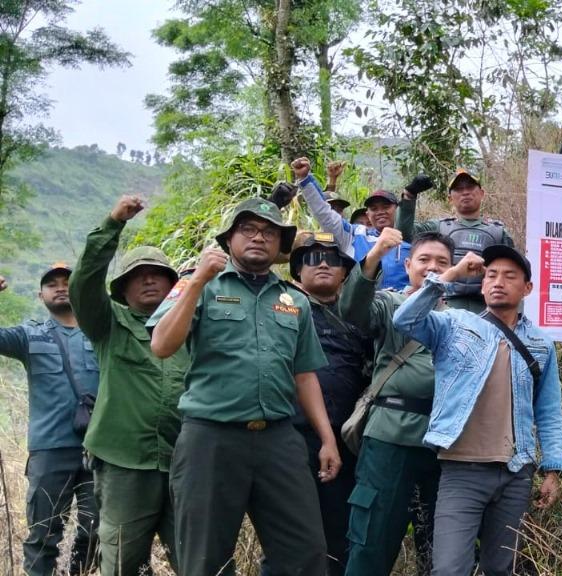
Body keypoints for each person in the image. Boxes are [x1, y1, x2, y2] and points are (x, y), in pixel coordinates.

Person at [148, 197, 340, 575]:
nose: (258, 237)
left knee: (305, 553)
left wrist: (327, 439)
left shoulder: (294, 300)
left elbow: (304, 375)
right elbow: (162, 345)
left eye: (269, 232)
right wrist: (198, 280)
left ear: (280, 244)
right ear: (229, 239)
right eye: (248, 229)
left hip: (278, 439)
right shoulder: (198, 284)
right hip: (211, 439)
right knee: (205, 558)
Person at [393, 246, 562, 576]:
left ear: (527, 288)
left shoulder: (541, 343)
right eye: (491, 275)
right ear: (482, 284)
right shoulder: (455, 324)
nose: (498, 282)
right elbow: (405, 319)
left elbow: (547, 410)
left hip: (516, 471)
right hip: (462, 469)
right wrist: (452, 273)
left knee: (499, 567)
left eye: (509, 276)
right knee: (449, 569)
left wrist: (553, 469)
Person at [68, 195, 186, 576]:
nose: (148, 279)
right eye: (138, 275)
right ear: (123, 288)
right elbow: (83, 284)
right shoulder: (108, 323)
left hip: (184, 463)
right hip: (124, 466)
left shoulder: (191, 327)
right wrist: (113, 223)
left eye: (157, 273)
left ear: (172, 284)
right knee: (121, 564)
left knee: (198, 559)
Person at [341, 229, 452, 576]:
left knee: (440, 547)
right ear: (407, 265)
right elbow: (352, 309)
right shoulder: (389, 303)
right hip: (389, 437)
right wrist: (374, 256)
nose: (432, 267)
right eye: (424, 259)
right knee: (372, 539)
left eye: (442, 262)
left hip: (443, 443)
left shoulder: (458, 318)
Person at [261, 231, 368, 575]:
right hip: (291, 437)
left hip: (348, 439)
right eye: (311, 258)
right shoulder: (280, 307)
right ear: (296, 271)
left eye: (332, 259)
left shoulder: (362, 313)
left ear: (345, 272)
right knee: (286, 535)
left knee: (339, 532)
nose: (323, 264)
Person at [0, 265, 100, 576]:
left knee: (96, 531)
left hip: (99, 450)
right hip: (49, 451)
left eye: (68, 282)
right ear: (39, 295)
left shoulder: (102, 334)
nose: (60, 287)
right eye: (52, 284)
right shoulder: (29, 336)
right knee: (43, 535)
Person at [395, 169, 516, 313]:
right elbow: (404, 233)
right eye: (458, 189)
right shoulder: (439, 227)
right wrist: (409, 196)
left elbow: (512, 272)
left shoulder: (499, 232)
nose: (465, 192)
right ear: (450, 198)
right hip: (445, 305)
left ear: (482, 193)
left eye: (470, 187)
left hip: (487, 307)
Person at [293, 157, 413, 290]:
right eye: (374, 209)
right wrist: (305, 178)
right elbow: (323, 212)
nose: (380, 212)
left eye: (386, 207)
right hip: (358, 302)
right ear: (368, 214)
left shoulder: (414, 240)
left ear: (397, 209)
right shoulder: (353, 235)